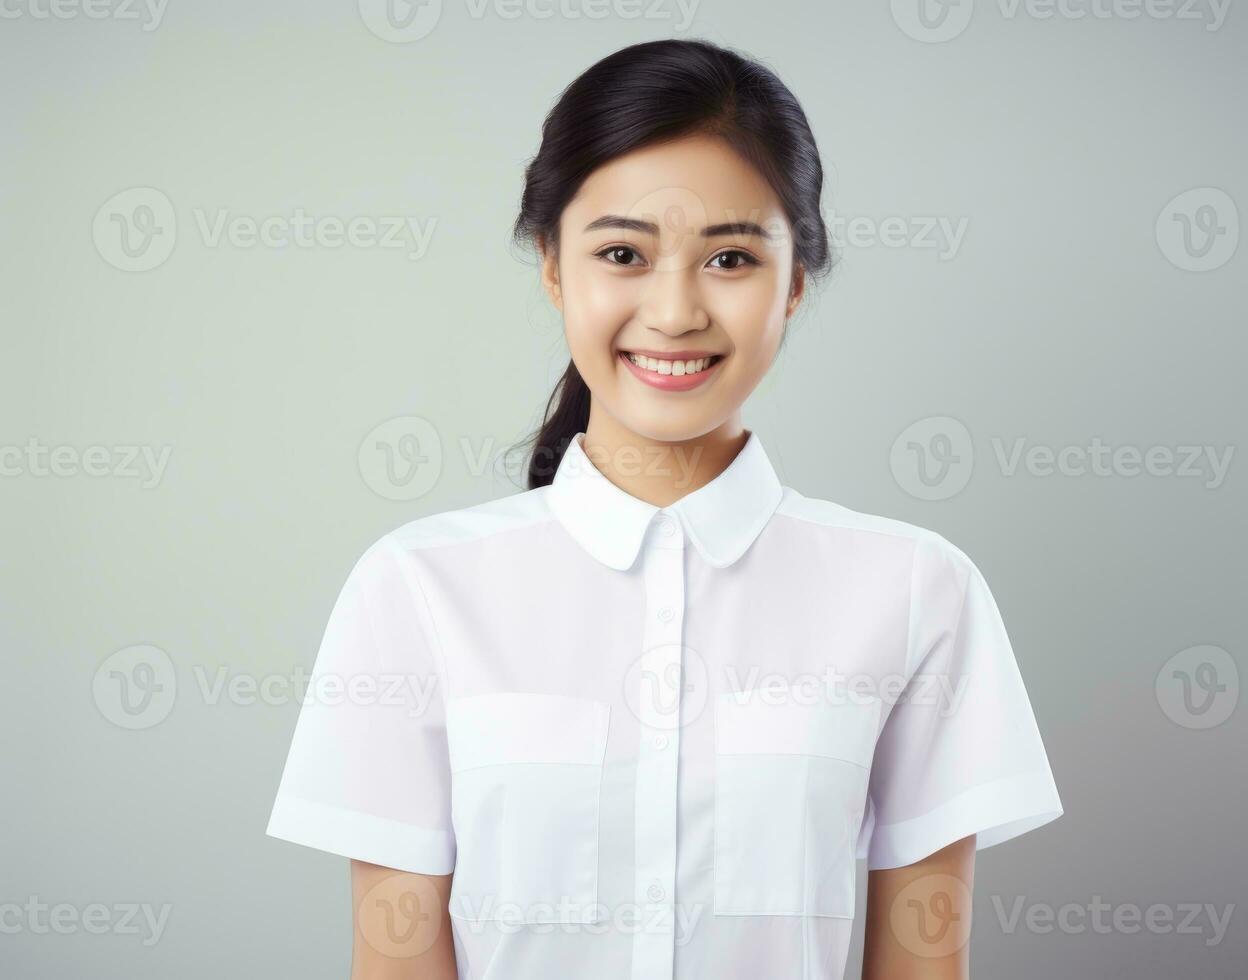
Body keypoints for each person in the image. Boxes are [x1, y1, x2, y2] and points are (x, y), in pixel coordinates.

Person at [265, 37, 1063, 980]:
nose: (676, 311)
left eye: (729, 256)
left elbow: (923, 964)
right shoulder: (416, 589)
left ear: (795, 282)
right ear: (555, 269)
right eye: (621, 253)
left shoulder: (917, 589)